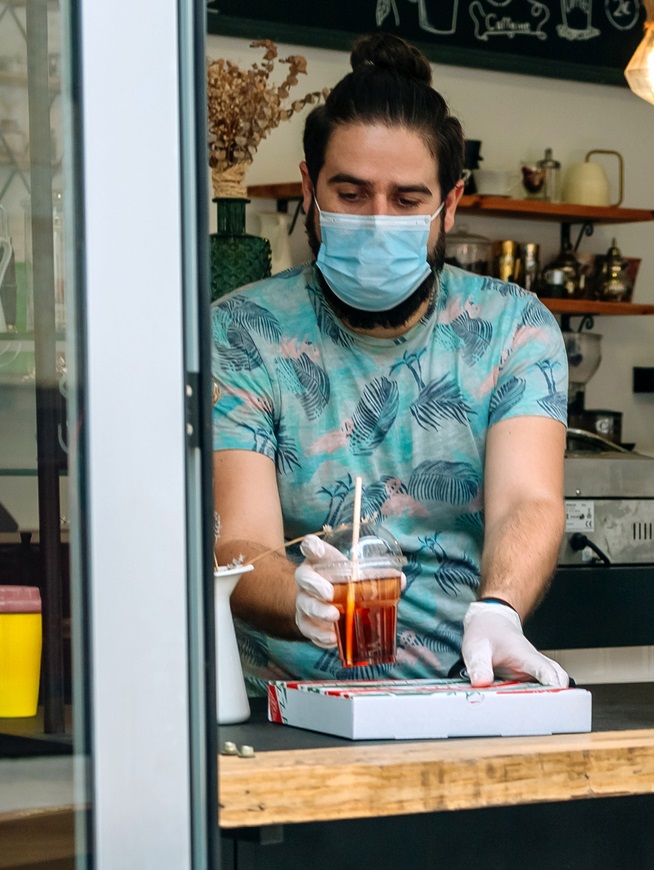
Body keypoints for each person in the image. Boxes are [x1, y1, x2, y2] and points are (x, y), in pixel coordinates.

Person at [212, 34, 570, 690]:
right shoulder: (242, 332)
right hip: (287, 709)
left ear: (450, 206)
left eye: (407, 202)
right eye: (350, 195)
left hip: (467, 689)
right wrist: (299, 603)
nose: (378, 222)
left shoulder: (515, 328)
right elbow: (242, 541)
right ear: (308, 189)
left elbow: (528, 498)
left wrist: (499, 608)